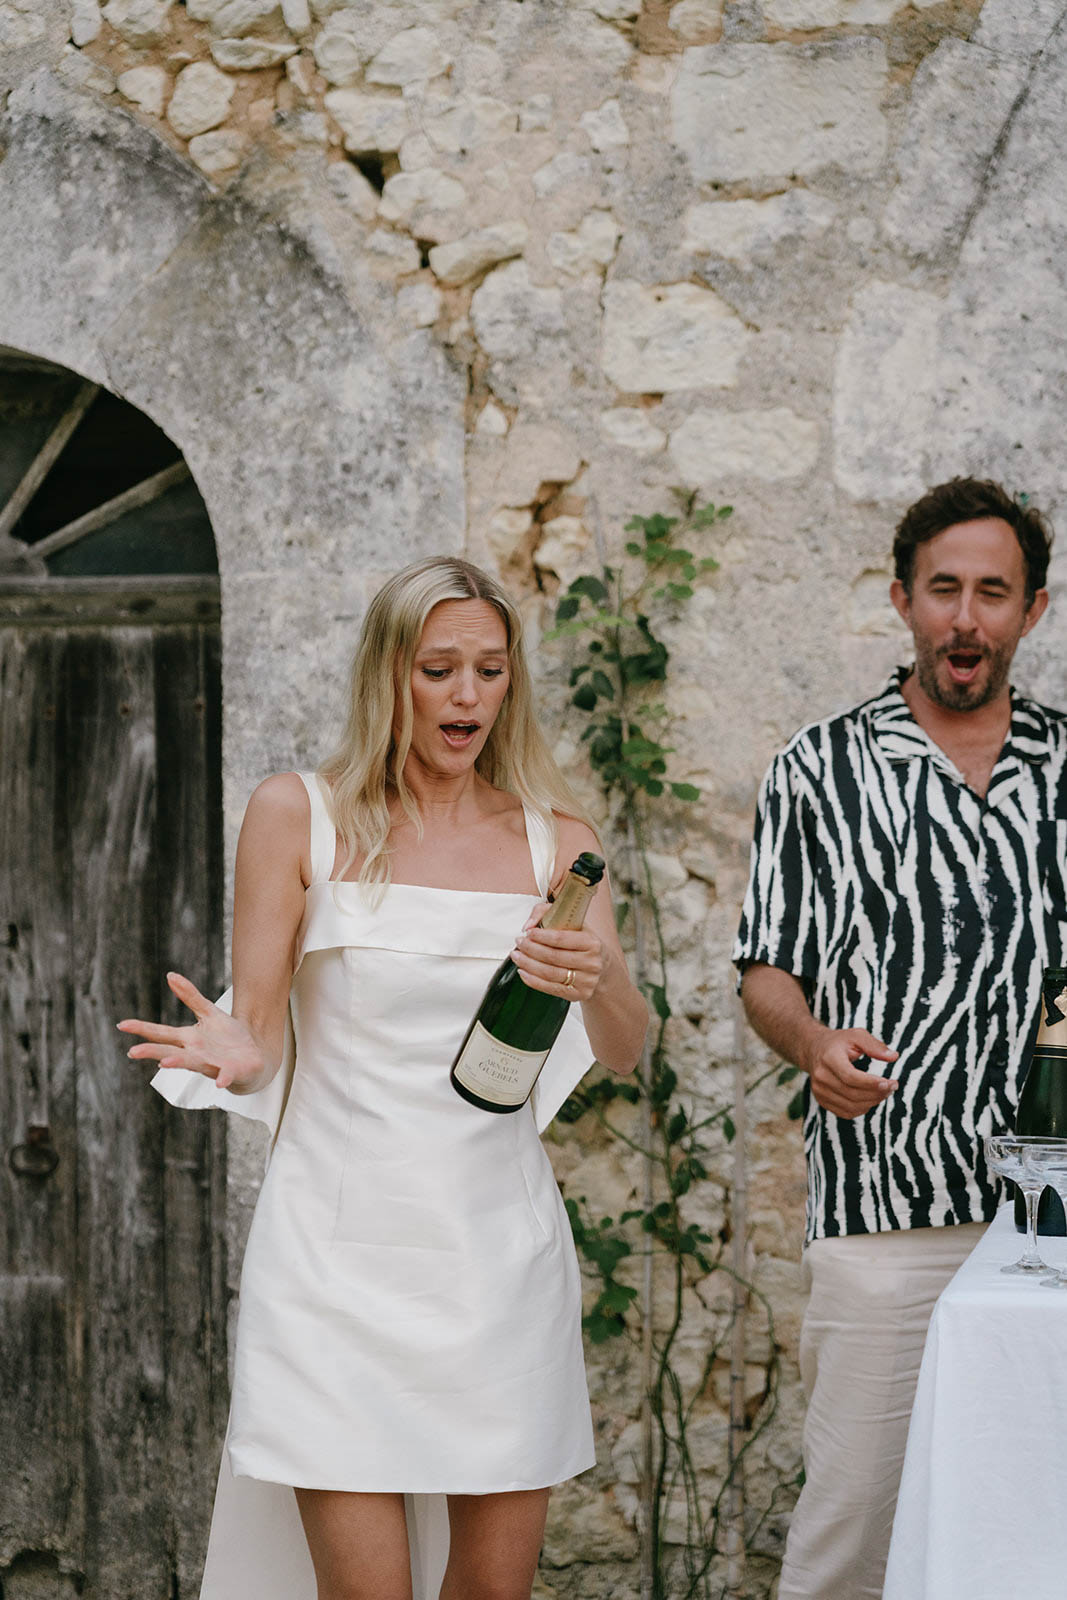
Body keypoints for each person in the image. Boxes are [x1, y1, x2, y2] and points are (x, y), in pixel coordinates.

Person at [119, 556, 648, 1600]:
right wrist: (239, 1058)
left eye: (488, 669)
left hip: (496, 1261)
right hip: (334, 1259)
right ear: (386, 673)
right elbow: (258, 1028)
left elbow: (625, 1046)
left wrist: (598, 980)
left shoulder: (559, 842)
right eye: (438, 668)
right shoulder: (297, 815)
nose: (466, 696)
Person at [733, 478, 1067, 1600]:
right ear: (900, 600)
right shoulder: (816, 769)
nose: (964, 618)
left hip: (1053, 1215)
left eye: (991, 592)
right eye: (942, 589)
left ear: (1031, 610)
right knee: (854, 1522)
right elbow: (767, 969)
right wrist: (811, 1043)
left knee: (1033, 1513)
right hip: (883, 1207)